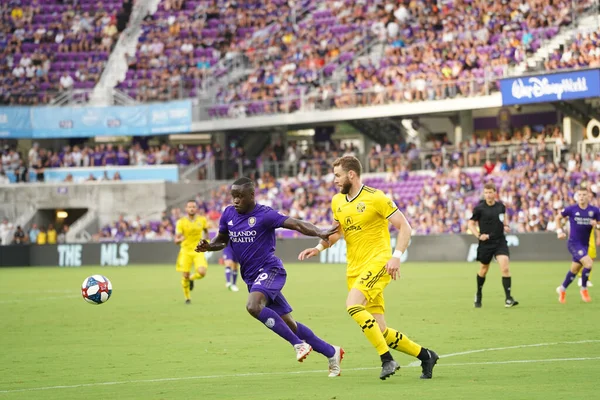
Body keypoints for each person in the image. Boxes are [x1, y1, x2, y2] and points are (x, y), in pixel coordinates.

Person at [298, 156, 438, 381]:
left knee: (352, 305)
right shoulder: (337, 201)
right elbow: (336, 232)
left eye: (337, 175)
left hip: (378, 263)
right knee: (380, 330)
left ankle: (386, 359)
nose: (334, 180)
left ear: (351, 174)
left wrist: (396, 256)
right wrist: (318, 247)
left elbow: (405, 227)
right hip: (354, 269)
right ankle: (426, 355)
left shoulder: (376, 198)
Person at [195, 177, 344, 377]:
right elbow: (221, 241)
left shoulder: (265, 215)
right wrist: (208, 246)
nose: (236, 200)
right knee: (290, 324)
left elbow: (296, 224)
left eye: (240, 196)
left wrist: (319, 231)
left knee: (253, 306)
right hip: (252, 278)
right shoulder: (228, 214)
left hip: (271, 270)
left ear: (251, 195)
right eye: (233, 196)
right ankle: (332, 352)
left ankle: (298, 345)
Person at [467, 182, 519, 308]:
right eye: (486, 193)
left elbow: (503, 219)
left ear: (495, 193)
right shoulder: (479, 208)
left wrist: (506, 226)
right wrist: (479, 235)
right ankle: (478, 294)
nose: (488, 195)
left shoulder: (501, 207)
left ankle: (508, 298)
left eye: (490, 192)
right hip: (485, 243)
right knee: (483, 270)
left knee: (505, 266)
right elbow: (470, 224)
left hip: (499, 240)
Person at [555, 185, 599, 303]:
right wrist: (559, 231)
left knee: (574, 270)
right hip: (573, 243)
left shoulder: (594, 211)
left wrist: (597, 225)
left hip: (585, 244)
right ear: (576, 196)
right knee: (588, 263)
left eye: (584, 195)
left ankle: (562, 289)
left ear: (588, 196)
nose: (582, 197)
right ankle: (584, 289)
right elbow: (557, 218)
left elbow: (599, 225)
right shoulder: (571, 209)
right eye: (579, 195)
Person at [175, 200, 209, 304]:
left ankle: (191, 278)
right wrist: (180, 239)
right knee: (184, 275)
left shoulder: (202, 220)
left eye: (193, 207)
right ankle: (187, 297)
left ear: (196, 208)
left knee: (202, 273)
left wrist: (207, 243)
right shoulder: (181, 222)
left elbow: (206, 233)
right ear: (186, 209)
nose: (191, 209)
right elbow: (176, 240)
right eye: (189, 207)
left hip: (198, 250)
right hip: (185, 251)